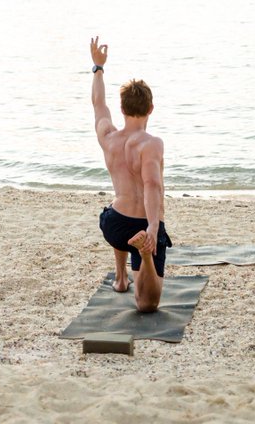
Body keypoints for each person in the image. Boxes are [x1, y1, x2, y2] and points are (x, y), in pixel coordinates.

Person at [90, 36, 171, 313]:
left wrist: (97, 68)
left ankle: (121, 277)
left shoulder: (108, 136)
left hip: (114, 227)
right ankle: (144, 257)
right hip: (141, 227)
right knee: (148, 304)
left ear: (122, 110)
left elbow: (98, 104)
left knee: (114, 211)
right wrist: (151, 228)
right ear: (150, 109)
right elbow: (152, 186)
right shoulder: (152, 144)